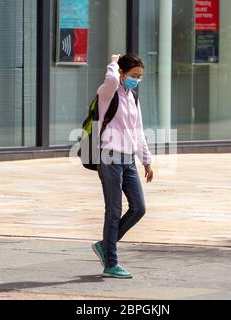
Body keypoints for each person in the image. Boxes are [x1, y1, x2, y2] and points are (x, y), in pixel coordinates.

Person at [92, 53, 154, 279]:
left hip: (128, 160)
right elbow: (110, 81)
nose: (136, 80)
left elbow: (138, 132)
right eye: (133, 75)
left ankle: (105, 245)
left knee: (139, 208)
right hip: (109, 157)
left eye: (139, 77)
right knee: (114, 210)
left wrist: (146, 160)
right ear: (121, 72)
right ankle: (111, 263)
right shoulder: (108, 93)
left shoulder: (133, 97)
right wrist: (112, 62)